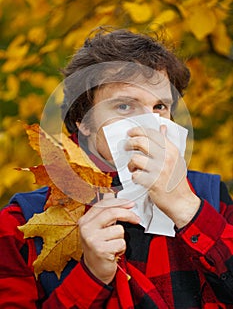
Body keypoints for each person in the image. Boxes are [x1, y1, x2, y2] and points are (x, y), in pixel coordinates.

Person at [0, 28, 233, 308]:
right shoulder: (21, 225)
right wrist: (92, 276)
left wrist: (187, 209)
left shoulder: (210, 198)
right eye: (124, 106)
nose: (148, 123)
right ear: (83, 120)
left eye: (160, 106)